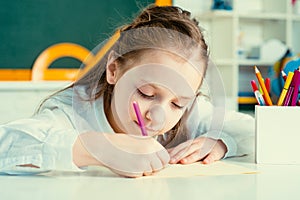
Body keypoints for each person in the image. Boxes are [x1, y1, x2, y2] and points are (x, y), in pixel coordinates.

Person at [0, 5, 254, 177]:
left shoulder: (191, 114)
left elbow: (263, 132)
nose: (159, 116)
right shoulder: (74, 109)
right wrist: (96, 148)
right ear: (113, 69)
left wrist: (222, 142)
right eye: (146, 93)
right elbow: (6, 146)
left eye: (177, 104)